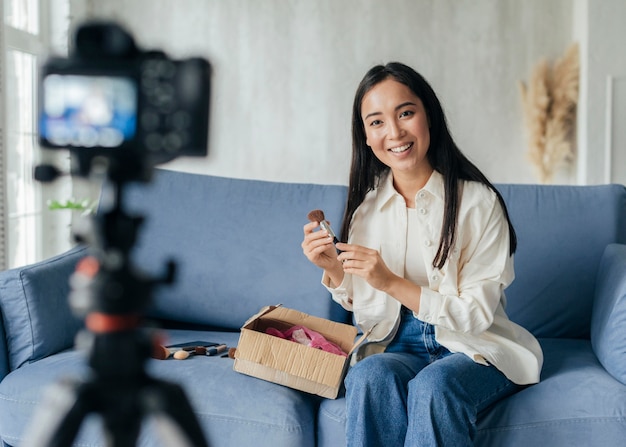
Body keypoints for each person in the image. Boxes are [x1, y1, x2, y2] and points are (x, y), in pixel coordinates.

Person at [301, 62, 543, 447]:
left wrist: (392, 283)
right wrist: (334, 271)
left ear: (428, 115)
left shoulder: (477, 203)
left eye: (406, 113)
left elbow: (477, 315)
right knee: (367, 376)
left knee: (435, 385)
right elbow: (368, 312)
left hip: (473, 347)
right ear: (365, 136)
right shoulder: (366, 211)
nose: (394, 132)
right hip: (396, 344)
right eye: (377, 122)